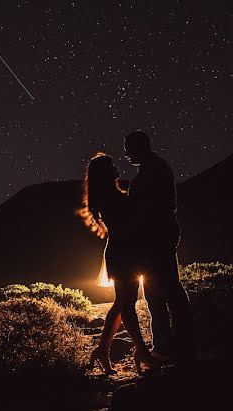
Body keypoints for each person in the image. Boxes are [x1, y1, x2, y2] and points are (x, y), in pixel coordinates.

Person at [80, 152, 166, 374]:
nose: (116, 166)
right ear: (104, 173)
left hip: (128, 252)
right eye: (110, 165)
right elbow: (126, 224)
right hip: (122, 253)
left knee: (122, 303)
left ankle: (102, 350)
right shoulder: (108, 197)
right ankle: (142, 352)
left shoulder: (112, 193)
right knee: (127, 305)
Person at [124, 130, 195, 362]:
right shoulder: (154, 169)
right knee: (160, 290)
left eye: (129, 148)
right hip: (158, 236)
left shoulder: (153, 171)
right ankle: (173, 344)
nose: (126, 154)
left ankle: (171, 346)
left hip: (156, 238)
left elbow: (151, 209)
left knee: (163, 291)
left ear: (141, 147)